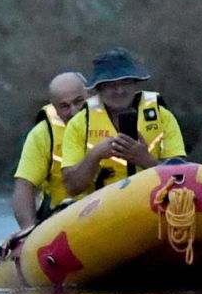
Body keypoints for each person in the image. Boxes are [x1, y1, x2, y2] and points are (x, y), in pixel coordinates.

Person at [59, 49, 185, 195]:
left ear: (135, 84)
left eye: (126, 82)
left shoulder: (163, 116)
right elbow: (72, 188)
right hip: (103, 209)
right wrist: (95, 155)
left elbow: (181, 179)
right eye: (111, 84)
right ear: (98, 88)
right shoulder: (79, 124)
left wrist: (144, 159)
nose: (119, 90)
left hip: (153, 202)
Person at [11, 71, 91, 231]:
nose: (74, 111)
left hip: (110, 210)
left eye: (79, 101)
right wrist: (28, 230)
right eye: (65, 106)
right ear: (54, 107)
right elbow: (24, 186)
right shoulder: (43, 134)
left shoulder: (111, 119)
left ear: (91, 95)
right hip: (62, 220)